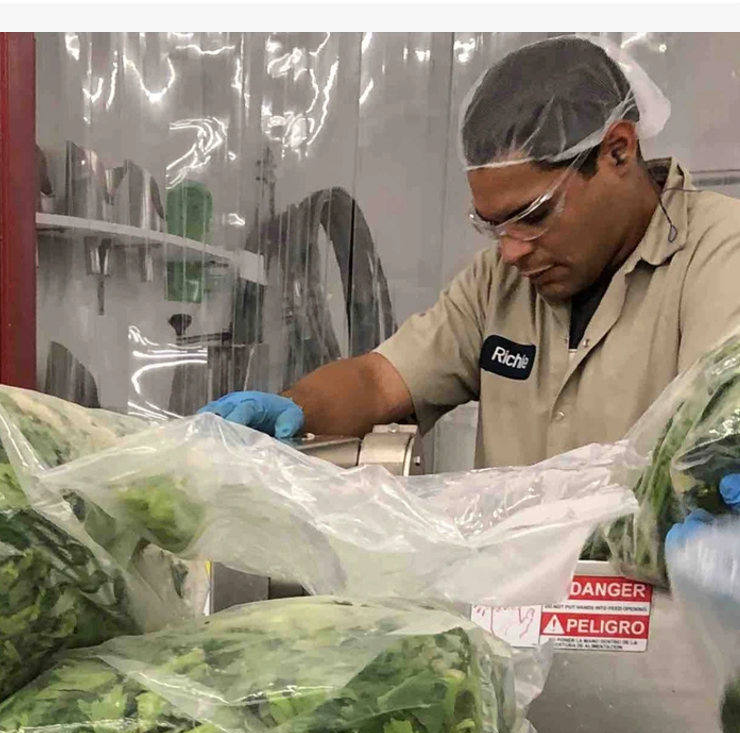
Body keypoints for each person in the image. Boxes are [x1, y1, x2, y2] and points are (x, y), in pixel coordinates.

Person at [202, 35, 740, 472]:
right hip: (510, 603)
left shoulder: (719, 256)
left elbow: (716, 443)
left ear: (618, 150)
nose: (509, 252)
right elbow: (379, 381)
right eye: (493, 226)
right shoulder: (498, 284)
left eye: (533, 216)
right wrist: (290, 415)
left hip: (652, 602)